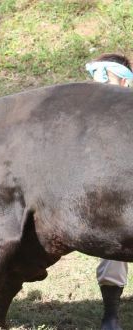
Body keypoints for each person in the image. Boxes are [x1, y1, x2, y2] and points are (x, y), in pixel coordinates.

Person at [85, 52, 133, 330]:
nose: (98, 83)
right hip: (113, 200)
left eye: (105, 77)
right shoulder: (89, 116)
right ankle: (111, 315)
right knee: (114, 242)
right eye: (95, 78)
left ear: (124, 82)